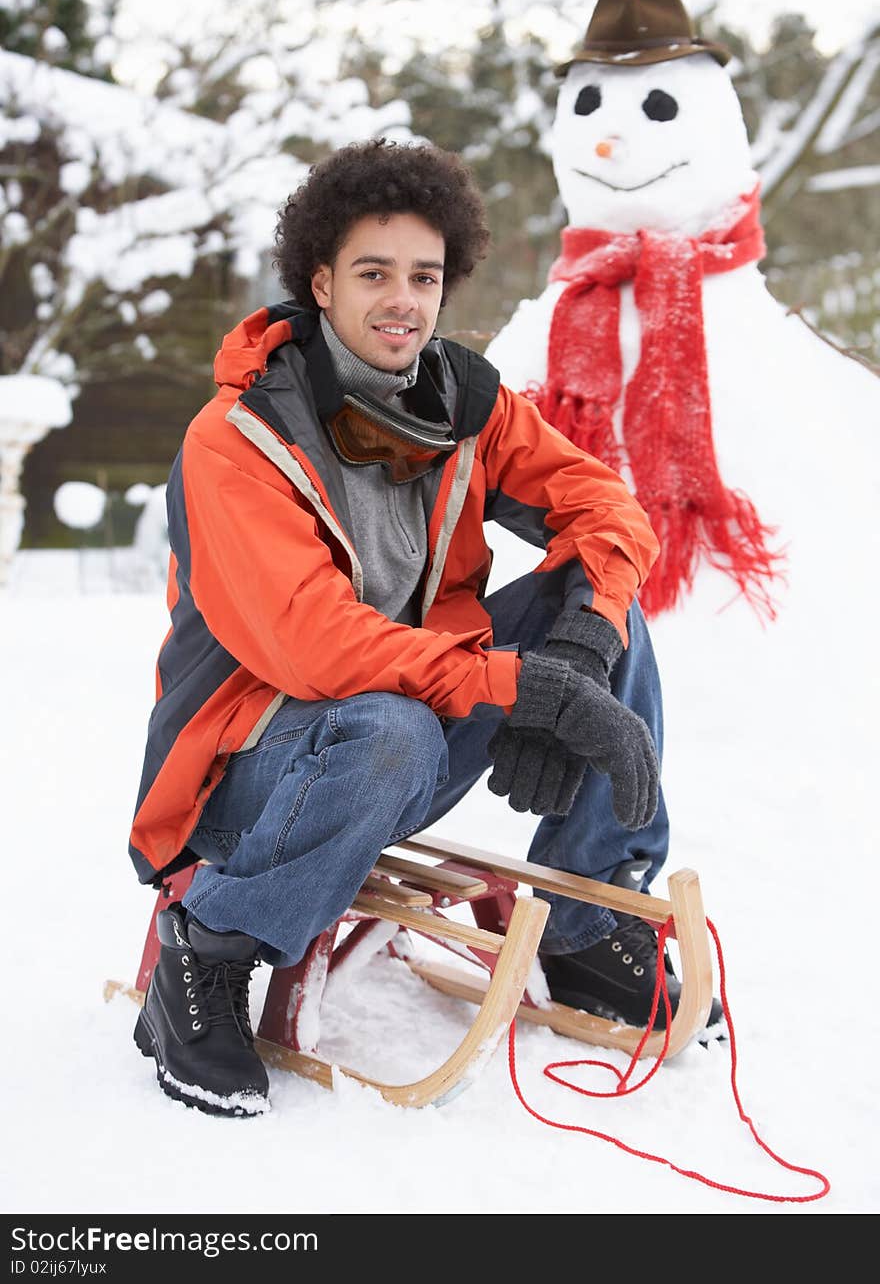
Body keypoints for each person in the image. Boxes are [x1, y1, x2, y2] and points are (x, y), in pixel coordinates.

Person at [128, 137, 720, 1118]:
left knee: (605, 615)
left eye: (424, 275)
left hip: (401, 735)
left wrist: (573, 655)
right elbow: (317, 647)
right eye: (373, 273)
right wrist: (516, 688)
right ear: (319, 282)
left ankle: (581, 927)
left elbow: (607, 511)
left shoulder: (465, 406)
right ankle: (211, 944)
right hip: (255, 775)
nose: (402, 298)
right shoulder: (232, 443)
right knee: (388, 723)